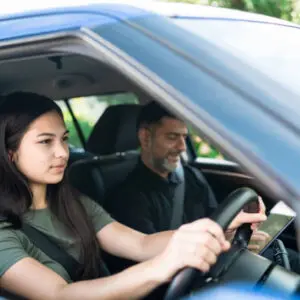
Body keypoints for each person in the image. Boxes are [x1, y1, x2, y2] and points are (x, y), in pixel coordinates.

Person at [0, 92, 233, 300]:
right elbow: (60, 294)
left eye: (64, 139)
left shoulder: (71, 201)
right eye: (45, 142)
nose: (62, 153)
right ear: (10, 153)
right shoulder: (3, 232)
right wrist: (162, 267)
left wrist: (216, 233)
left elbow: (140, 244)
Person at [105, 101, 299, 274]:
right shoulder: (127, 197)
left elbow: (218, 218)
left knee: (289, 258)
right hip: (188, 278)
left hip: (220, 257)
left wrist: (246, 231)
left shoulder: (192, 176)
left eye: (184, 137)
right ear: (145, 137)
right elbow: (148, 263)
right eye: (172, 137)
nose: (182, 147)